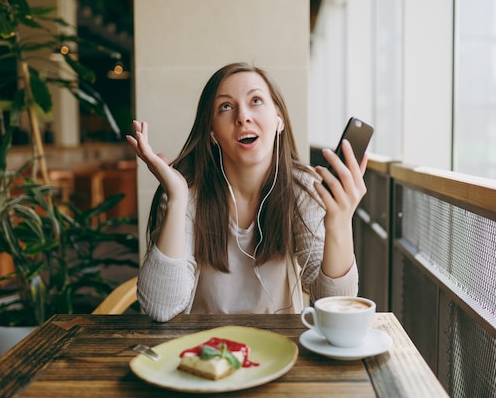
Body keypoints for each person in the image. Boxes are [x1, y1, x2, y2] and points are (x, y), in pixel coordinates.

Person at [127, 62, 368, 321]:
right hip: (203, 353)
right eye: (226, 106)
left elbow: (335, 303)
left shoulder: (303, 189)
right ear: (212, 133)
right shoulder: (187, 192)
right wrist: (176, 197)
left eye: (256, 101)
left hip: (280, 350)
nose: (243, 116)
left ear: (279, 120)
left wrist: (340, 224)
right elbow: (160, 307)